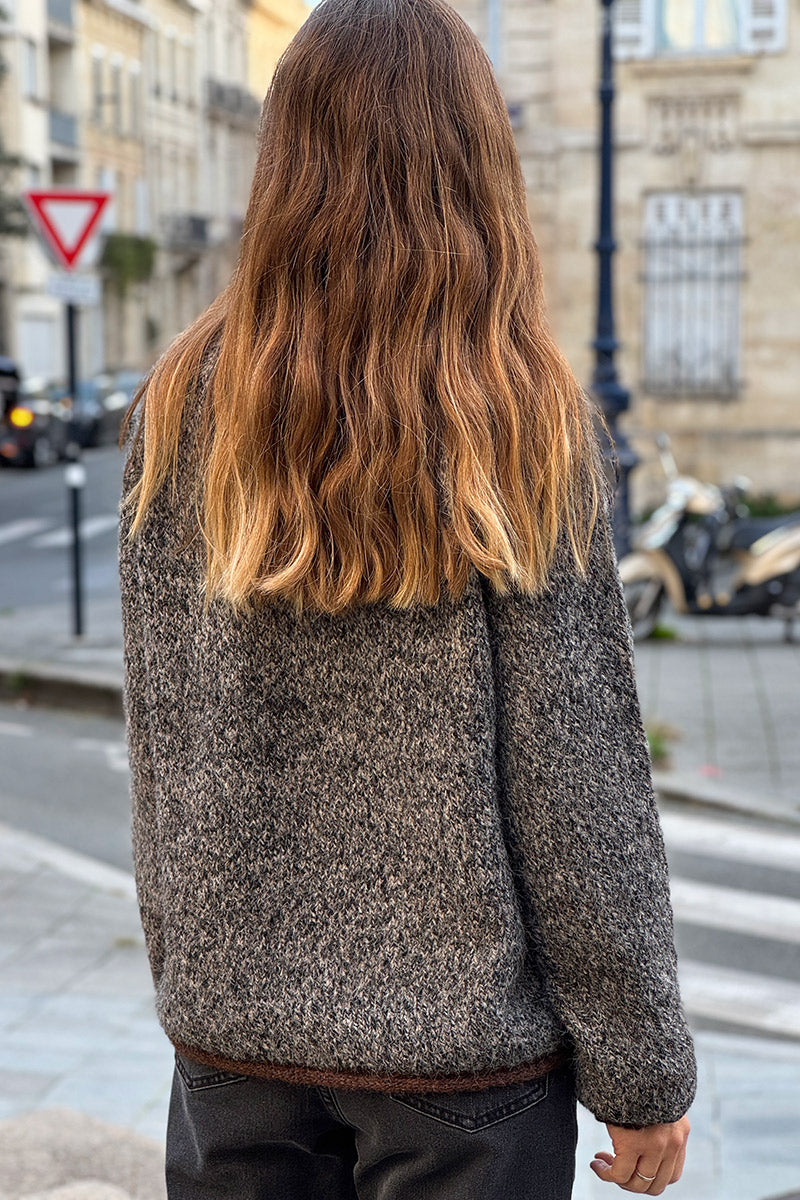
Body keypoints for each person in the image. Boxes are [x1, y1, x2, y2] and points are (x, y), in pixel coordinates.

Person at [117, 1, 696, 1196]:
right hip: (462, 1078)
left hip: (234, 1050)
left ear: (286, 159)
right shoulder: (517, 418)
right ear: (474, 161)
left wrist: (193, 970)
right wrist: (641, 1074)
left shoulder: (182, 404)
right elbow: (577, 780)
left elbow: (159, 732)